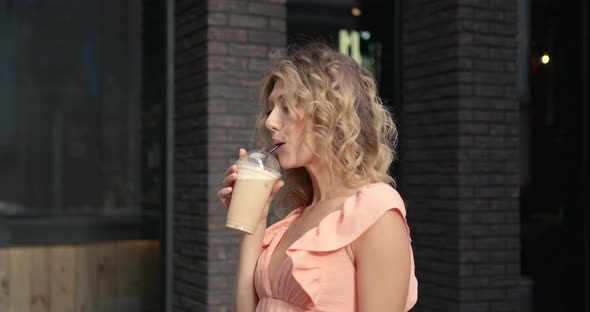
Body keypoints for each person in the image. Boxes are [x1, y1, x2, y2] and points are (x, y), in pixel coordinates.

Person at [218, 43, 418, 312]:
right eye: (270, 109)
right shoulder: (295, 219)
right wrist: (253, 223)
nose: (270, 122)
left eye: (286, 107)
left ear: (329, 115)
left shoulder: (375, 211)